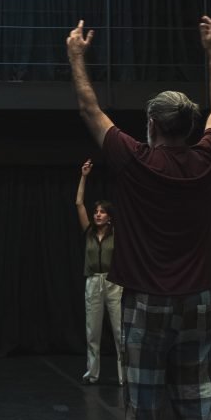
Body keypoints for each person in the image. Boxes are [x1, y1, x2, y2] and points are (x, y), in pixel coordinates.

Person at [67, 16, 211, 420]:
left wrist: (75, 55)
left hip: (144, 301)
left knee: (144, 409)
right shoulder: (206, 159)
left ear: (153, 126)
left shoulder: (135, 160)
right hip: (198, 300)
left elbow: (89, 108)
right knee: (196, 405)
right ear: (191, 127)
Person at [74, 158, 123, 386]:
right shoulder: (89, 232)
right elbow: (78, 204)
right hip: (93, 281)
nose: (98, 215)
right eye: (96, 212)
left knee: (119, 331)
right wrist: (84, 176)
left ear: (110, 216)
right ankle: (92, 373)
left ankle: (125, 375)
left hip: (114, 282)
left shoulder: (117, 234)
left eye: (102, 212)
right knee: (92, 331)